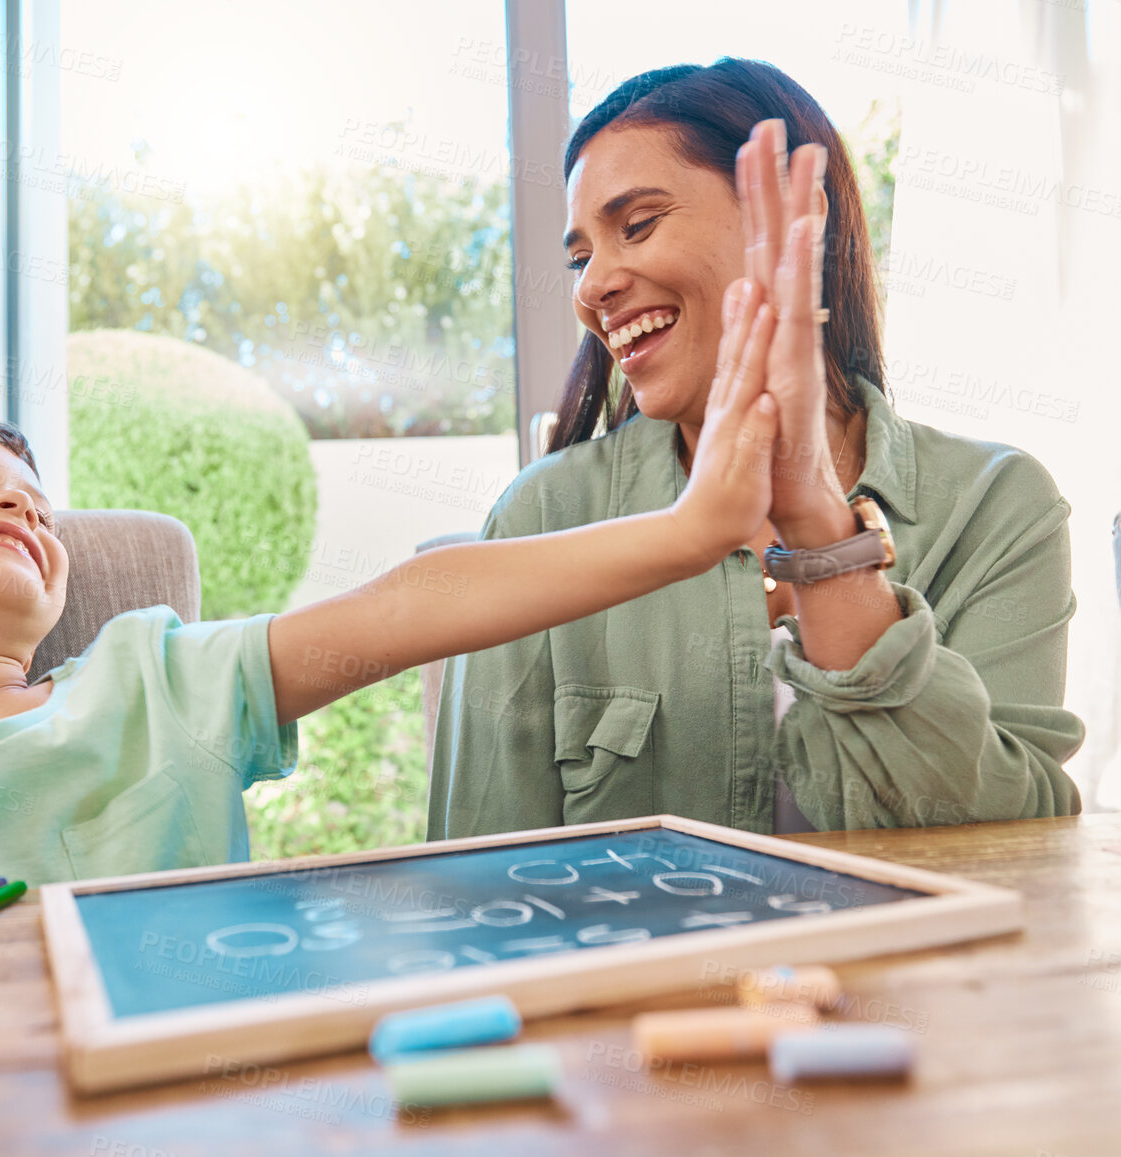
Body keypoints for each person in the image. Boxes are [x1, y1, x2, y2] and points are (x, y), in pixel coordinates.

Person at [0, 279, 779, 929]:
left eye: (35, 499)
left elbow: (414, 597)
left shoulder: (159, 682)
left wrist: (688, 532)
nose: (26, 506)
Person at [429, 58, 1084, 839]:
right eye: (580, 257)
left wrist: (820, 534)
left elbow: (1007, 844)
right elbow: (480, 878)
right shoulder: (544, 515)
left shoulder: (995, 506)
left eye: (635, 225)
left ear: (796, 226)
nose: (590, 287)